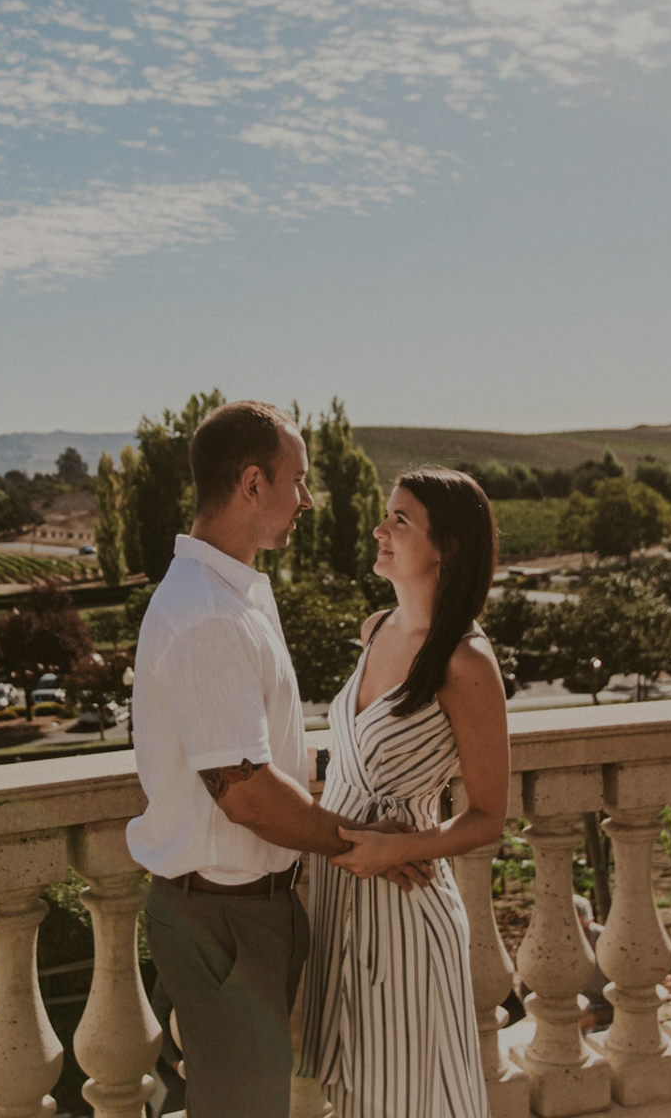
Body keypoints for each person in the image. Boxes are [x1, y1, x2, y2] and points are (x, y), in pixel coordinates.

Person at [128, 400, 429, 1118]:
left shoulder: (230, 597)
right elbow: (247, 794)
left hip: (242, 915)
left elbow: (262, 759)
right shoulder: (209, 615)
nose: (308, 498)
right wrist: (366, 844)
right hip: (224, 923)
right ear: (253, 483)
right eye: (298, 479)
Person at [297, 466, 509, 1117]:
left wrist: (398, 850)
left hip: (404, 910)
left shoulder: (466, 663)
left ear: (444, 547)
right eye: (387, 515)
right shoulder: (376, 628)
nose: (379, 529)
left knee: (410, 1102)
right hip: (338, 894)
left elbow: (488, 818)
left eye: (401, 520)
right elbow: (348, 762)